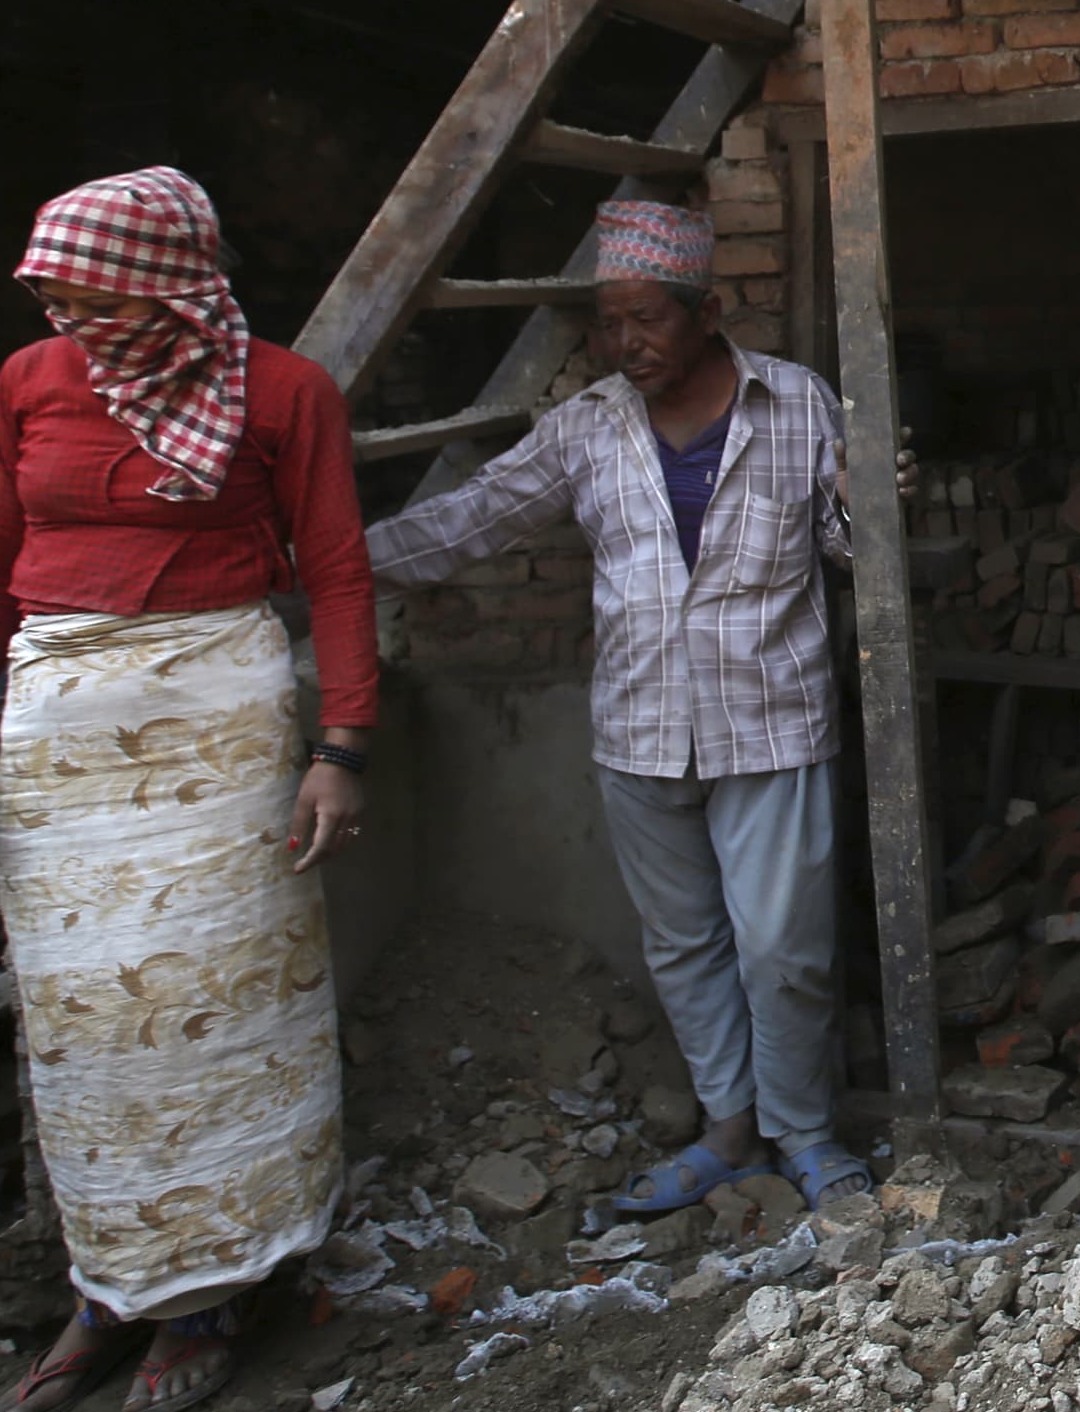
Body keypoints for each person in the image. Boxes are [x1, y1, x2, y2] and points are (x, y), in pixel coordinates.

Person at [0, 169, 376, 1412]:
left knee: (216, 1009)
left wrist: (343, 746)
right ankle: (111, 1286)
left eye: (84, 289)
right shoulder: (31, 384)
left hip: (217, 714)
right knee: (87, 1018)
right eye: (49, 290)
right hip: (61, 726)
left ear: (160, 281)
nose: (62, 309)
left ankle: (213, 1289)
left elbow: (332, 567)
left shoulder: (281, 392)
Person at [367, 200, 884, 1218]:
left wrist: (876, 499)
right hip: (640, 728)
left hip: (771, 719)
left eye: (647, 318)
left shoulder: (798, 403)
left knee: (784, 946)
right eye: (611, 322)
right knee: (684, 944)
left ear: (707, 311)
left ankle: (805, 1132)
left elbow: (853, 552)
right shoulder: (587, 425)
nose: (626, 342)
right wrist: (332, 563)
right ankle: (727, 1129)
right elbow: (475, 520)